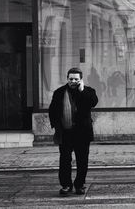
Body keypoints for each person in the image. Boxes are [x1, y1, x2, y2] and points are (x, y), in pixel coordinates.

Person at [49, 67, 98, 196]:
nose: (73, 81)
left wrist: (82, 91)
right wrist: (56, 126)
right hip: (65, 133)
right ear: (67, 79)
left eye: (76, 79)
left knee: (82, 161)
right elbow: (52, 110)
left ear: (81, 80)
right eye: (71, 79)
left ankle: (79, 185)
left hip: (82, 134)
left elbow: (93, 103)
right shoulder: (59, 92)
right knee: (64, 161)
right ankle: (66, 185)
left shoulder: (88, 91)